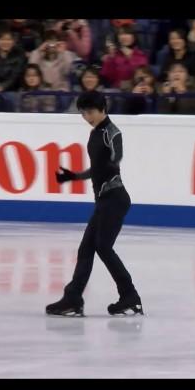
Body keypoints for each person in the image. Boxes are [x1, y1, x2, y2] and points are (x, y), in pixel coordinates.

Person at [46, 90, 143, 317]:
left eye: (90, 112)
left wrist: (112, 162)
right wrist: (74, 177)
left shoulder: (112, 132)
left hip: (115, 198)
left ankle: (130, 296)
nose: (87, 117)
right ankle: (73, 299)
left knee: (102, 247)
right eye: (83, 113)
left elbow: (116, 157)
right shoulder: (94, 134)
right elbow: (96, 168)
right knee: (87, 248)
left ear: (102, 109)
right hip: (104, 200)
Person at [100, 25, 149, 89]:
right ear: (117, 37)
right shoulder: (114, 54)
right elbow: (107, 75)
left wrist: (129, 57)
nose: (124, 36)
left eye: (127, 33)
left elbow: (141, 75)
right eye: (121, 34)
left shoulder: (141, 55)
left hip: (137, 89)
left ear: (134, 37)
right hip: (117, 90)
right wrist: (111, 58)